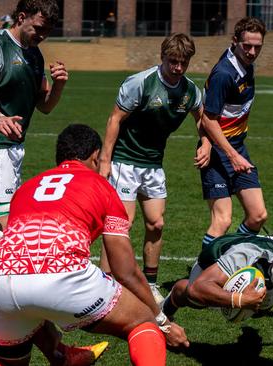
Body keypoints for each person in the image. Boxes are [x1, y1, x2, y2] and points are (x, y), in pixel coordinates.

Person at [0, 124, 190, 366]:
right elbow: (125, 272)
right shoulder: (102, 187)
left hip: (0, 282)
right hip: (62, 276)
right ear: (96, 156)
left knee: (10, 357)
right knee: (143, 321)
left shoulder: (26, 189)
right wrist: (162, 321)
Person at [98, 33, 209, 304]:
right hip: (125, 161)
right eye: (173, 61)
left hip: (153, 165)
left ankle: (150, 283)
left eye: (183, 63)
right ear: (163, 57)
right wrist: (105, 160)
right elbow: (115, 119)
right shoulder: (141, 83)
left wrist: (205, 141)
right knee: (120, 225)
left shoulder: (190, 91)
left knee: (156, 223)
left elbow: (202, 117)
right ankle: (104, 286)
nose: (178, 68)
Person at [161, 233, 273, 365]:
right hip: (216, 255)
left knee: (263, 305)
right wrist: (239, 300)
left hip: (265, 265)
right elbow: (197, 287)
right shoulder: (247, 254)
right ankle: (169, 305)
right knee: (197, 298)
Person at [0, 0, 68, 240]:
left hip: (14, 148)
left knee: (6, 216)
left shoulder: (34, 54)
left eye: (47, 30)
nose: (43, 35)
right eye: (38, 28)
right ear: (21, 17)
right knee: (3, 224)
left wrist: (58, 85)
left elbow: (44, 106)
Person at [198, 17, 268, 251]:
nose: (252, 51)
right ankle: (200, 273)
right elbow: (208, 118)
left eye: (257, 46)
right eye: (247, 46)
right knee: (222, 220)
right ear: (235, 41)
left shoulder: (245, 65)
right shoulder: (224, 74)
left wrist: (236, 153)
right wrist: (229, 154)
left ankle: (230, 257)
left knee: (257, 215)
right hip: (220, 153)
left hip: (237, 147)